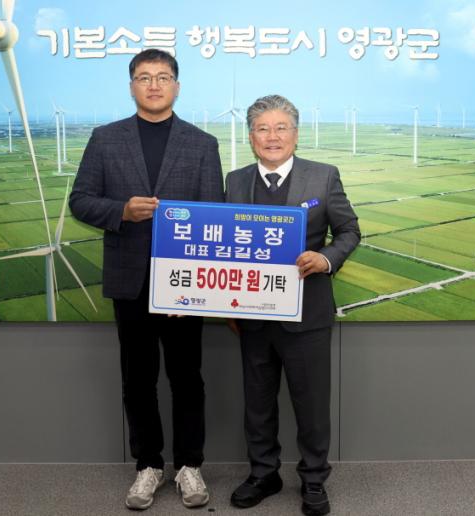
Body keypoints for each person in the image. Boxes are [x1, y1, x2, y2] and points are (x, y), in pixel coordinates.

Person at [69, 49, 224, 511]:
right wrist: (121, 210)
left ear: (177, 85)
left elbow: (212, 216)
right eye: (143, 77)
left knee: (187, 378)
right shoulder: (105, 139)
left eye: (162, 77)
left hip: (184, 283)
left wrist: (190, 287)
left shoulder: (202, 143)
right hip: (130, 280)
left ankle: (190, 465)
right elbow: (80, 200)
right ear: (131, 85)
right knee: (137, 379)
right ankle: (148, 466)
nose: (153, 85)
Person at [225, 95, 360, 516]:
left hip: (308, 314)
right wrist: (225, 303)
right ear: (250, 137)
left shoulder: (323, 177)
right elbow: (224, 244)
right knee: (257, 404)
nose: (272, 136)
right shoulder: (235, 181)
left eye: (281, 127)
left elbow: (349, 231)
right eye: (262, 128)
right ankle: (263, 474)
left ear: (296, 135)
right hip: (252, 315)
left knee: (312, 405)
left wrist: (326, 259)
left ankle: (314, 480)